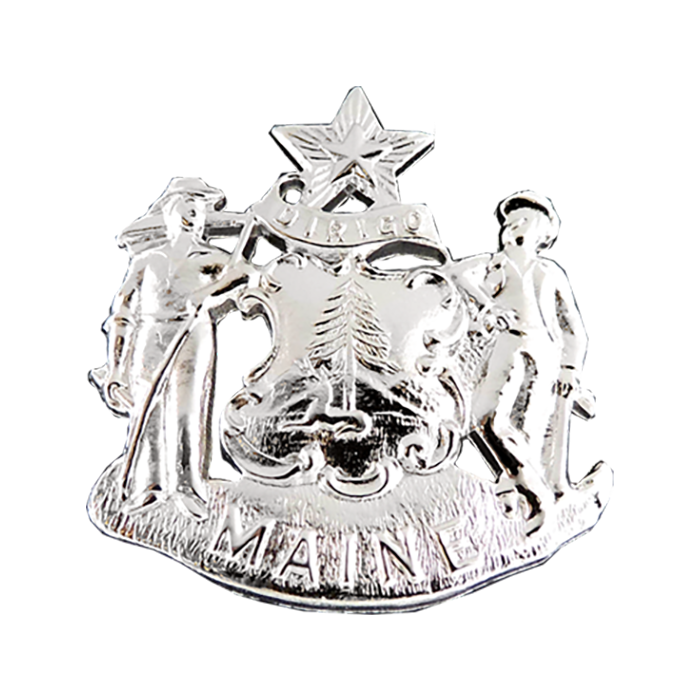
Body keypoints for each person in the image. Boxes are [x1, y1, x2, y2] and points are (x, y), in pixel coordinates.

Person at [96, 177, 250, 519]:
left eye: (199, 207)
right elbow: (122, 312)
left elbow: (245, 276)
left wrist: (214, 292)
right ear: (168, 210)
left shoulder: (211, 258)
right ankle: (147, 487)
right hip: (151, 335)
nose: (192, 213)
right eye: (186, 205)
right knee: (147, 408)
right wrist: (116, 368)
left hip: (192, 334)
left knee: (186, 410)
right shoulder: (148, 261)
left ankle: (187, 487)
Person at [452, 191, 588, 532]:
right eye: (510, 222)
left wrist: (570, 368)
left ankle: (519, 498)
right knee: (483, 418)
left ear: (543, 233)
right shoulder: (491, 264)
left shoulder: (549, 272)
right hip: (506, 345)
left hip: (543, 351)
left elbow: (572, 327)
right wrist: (487, 306)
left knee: (530, 429)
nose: (513, 226)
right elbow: (454, 275)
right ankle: (533, 492)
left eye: (523, 221)